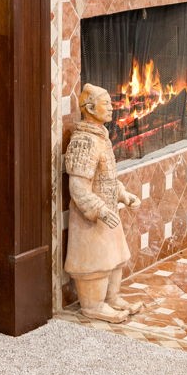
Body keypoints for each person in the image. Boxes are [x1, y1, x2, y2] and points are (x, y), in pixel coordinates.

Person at [63, 83, 138, 322]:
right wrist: (100, 210)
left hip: (109, 212)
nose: (112, 108)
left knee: (116, 257)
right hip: (92, 219)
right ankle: (93, 304)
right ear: (90, 108)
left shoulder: (101, 138)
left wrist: (123, 195)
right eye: (106, 104)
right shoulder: (84, 141)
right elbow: (78, 187)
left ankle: (111, 297)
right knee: (96, 262)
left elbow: (106, 178)